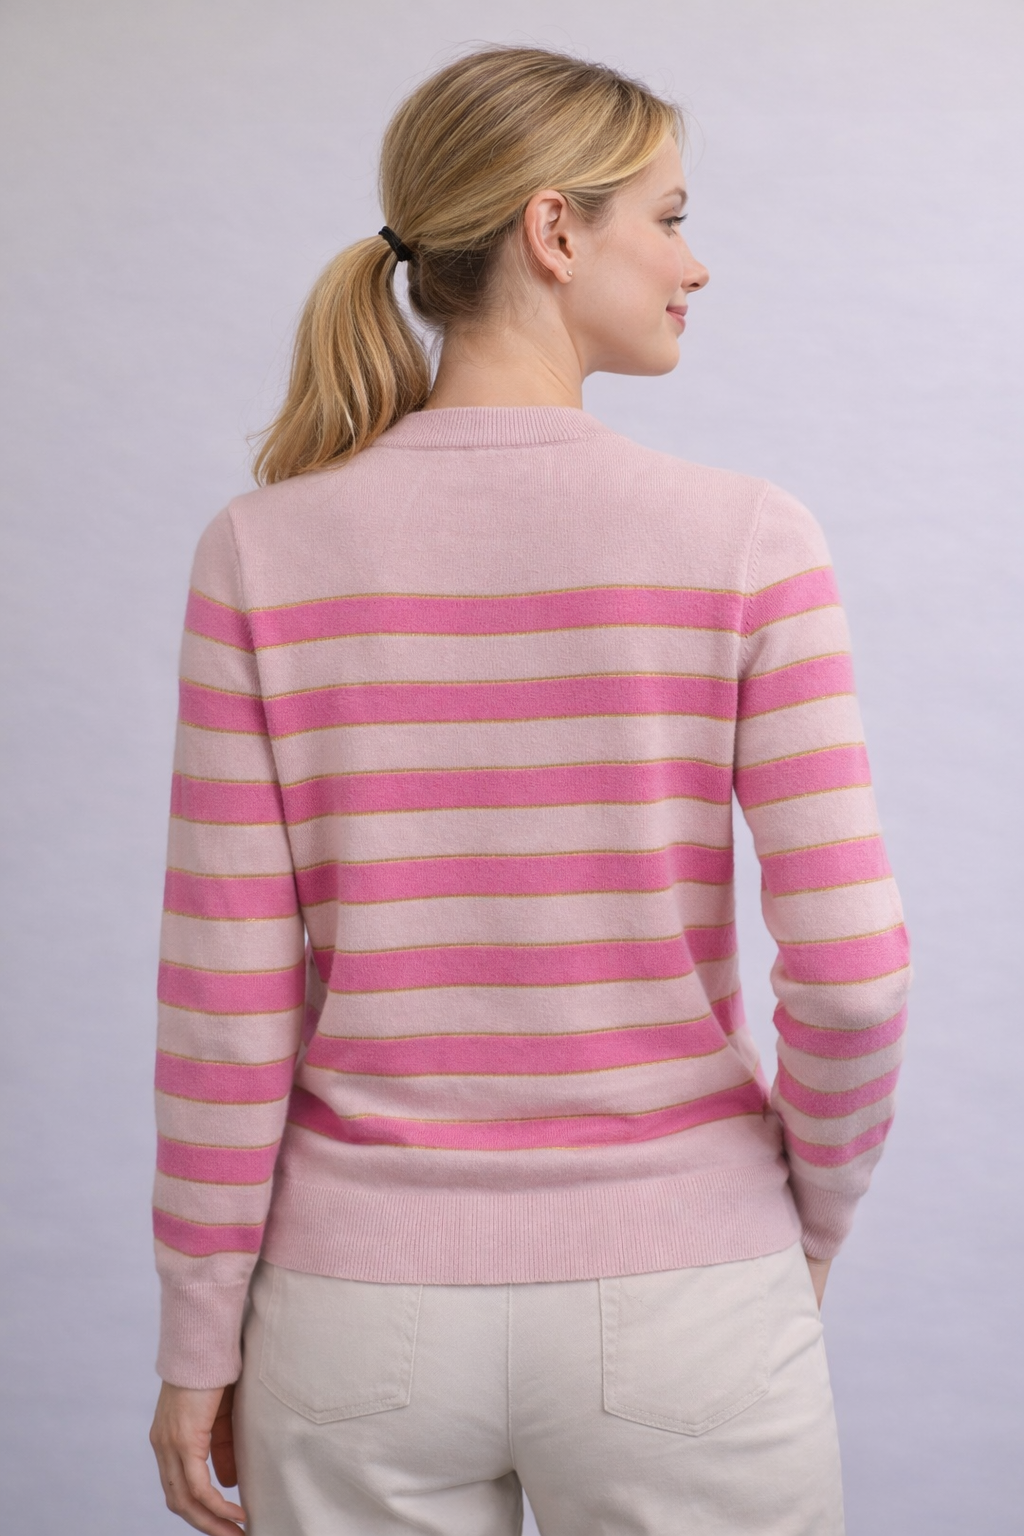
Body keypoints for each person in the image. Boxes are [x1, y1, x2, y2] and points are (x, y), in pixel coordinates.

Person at [148, 45, 910, 1536]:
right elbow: (855, 973)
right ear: (554, 231)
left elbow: (223, 999)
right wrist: (801, 1219)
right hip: (685, 1289)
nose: (695, 263)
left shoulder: (260, 552)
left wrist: (197, 1333)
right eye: (670, 218)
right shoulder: (748, 540)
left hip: (355, 1315)